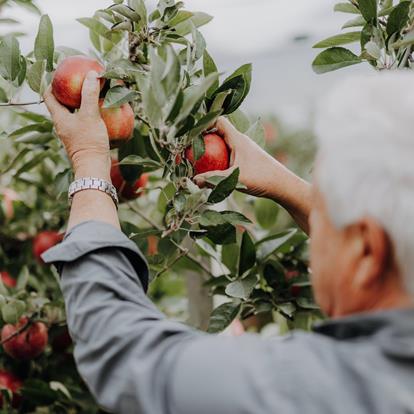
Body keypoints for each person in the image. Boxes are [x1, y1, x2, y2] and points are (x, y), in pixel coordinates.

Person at [42, 70, 414, 414]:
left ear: (366, 251)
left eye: (327, 210)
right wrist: (287, 186)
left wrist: (88, 159)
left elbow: (121, 351)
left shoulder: (310, 390)